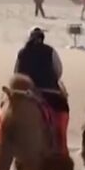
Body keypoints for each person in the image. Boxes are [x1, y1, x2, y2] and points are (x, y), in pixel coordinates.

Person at [14, 27, 68, 155]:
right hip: (48, 91)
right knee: (62, 108)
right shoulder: (50, 51)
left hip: (26, 93)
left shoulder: (22, 52)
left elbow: (16, 73)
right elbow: (58, 71)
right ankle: (61, 147)